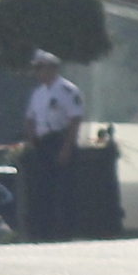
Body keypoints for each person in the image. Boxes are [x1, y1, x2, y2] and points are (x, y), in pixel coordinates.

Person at [22, 50, 85, 242]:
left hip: (60, 140)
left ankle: (66, 231)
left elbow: (75, 119)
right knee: (43, 189)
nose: (37, 72)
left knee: (64, 190)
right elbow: (30, 118)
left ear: (51, 69)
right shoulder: (38, 93)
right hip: (43, 143)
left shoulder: (67, 90)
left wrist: (67, 147)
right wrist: (32, 139)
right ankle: (44, 232)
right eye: (36, 68)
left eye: (40, 68)